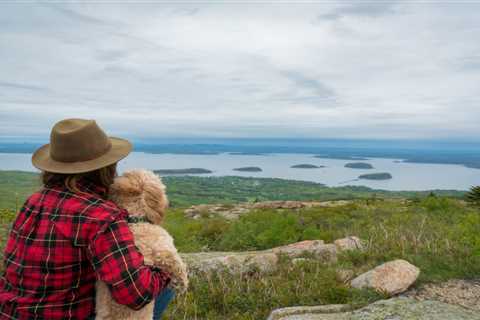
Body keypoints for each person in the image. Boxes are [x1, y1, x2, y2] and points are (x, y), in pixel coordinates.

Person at [0, 119, 174, 320]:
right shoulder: (102, 216)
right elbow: (136, 294)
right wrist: (166, 269)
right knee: (164, 288)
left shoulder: (34, 201)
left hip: (9, 313)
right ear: (105, 168)